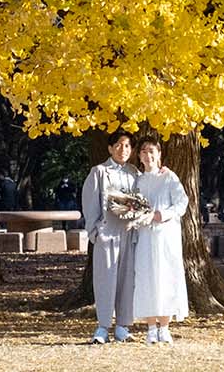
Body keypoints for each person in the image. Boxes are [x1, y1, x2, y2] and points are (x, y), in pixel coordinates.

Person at [128, 135, 189, 343]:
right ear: (139, 156)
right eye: (144, 151)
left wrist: (160, 215)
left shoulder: (169, 177)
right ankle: (151, 327)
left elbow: (181, 204)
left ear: (159, 154)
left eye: (152, 151)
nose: (148, 155)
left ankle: (165, 326)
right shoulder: (136, 180)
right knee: (146, 278)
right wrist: (137, 217)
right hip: (144, 236)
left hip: (166, 236)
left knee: (166, 278)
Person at [79, 130, 139, 344]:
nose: (123, 150)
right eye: (120, 145)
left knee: (127, 280)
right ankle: (103, 326)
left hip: (129, 234)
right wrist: (95, 232)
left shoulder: (134, 173)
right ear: (110, 148)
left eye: (128, 146)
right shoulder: (99, 172)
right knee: (105, 280)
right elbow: (89, 204)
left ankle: (123, 326)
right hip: (107, 235)